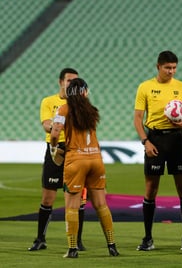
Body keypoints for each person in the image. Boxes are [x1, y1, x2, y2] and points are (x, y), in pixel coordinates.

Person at [50, 78, 119, 258]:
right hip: (96, 159)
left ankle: (72, 249)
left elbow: (55, 132)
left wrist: (53, 147)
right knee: (101, 205)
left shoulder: (64, 108)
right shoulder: (92, 110)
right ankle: (112, 246)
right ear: (85, 92)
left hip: (76, 160)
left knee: (72, 207)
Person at [133, 50, 182, 251]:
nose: (171, 71)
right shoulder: (145, 87)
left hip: (177, 139)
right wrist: (145, 142)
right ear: (158, 67)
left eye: (174, 67)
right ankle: (148, 238)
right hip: (155, 139)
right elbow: (137, 119)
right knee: (151, 190)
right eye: (168, 67)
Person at [29, 68, 86, 252]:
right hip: (55, 150)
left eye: (75, 81)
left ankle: (77, 240)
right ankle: (40, 239)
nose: (72, 84)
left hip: (75, 151)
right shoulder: (49, 102)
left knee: (78, 200)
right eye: (69, 80)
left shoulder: (80, 104)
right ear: (61, 82)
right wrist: (57, 125)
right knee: (48, 198)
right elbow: (46, 124)